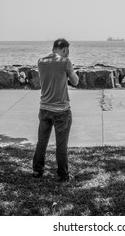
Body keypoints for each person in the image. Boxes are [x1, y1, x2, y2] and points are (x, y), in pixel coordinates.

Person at [32, 38, 79, 182]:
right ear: (65, 49)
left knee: (42, 142)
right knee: (61, 144)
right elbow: (76, 82)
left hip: (44, 107)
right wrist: (69, 65)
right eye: (67, 51)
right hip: (62, 110)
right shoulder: (65, 62)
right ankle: (63, 174)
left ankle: (37, 170)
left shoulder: (41, 61)